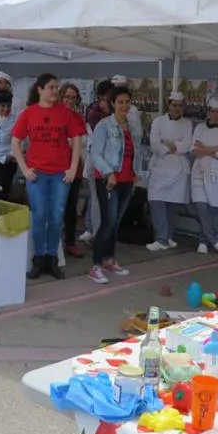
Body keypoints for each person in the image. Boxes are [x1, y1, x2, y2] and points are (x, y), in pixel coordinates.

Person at [12, 73, 85, 280]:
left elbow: (77, 138)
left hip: (60, 174)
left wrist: (72, 168)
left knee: (56, 216)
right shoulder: (29, 113)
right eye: (51, 87)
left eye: (56, 87)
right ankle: (39, 258)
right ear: (40, 90)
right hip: (37, 174)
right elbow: (16, 141)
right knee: (39, 216)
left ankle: (51, 257)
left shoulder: (65, 113)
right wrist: (24, 169)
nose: (55, 91)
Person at [88, 86, 143, 284]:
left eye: (127, 102)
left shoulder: (132, 126)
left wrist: (137, 173)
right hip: (108, 180)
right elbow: (95, 153)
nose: (124, 106)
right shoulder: (104, 125)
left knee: (116, 222)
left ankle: (109, 260)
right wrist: (108, 172)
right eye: (120, 102)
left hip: (127, 180)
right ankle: (95, 265)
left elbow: (135, 152)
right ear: (112, 103)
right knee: (108, 221)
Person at [146, 92, 193, 251]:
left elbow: (186, 146)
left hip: (179, 168)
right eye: (174, 105)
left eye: (180, 106)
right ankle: (161, 238)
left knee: (173, 205)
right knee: (156, 200)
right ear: (168, 105)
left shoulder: (187, 124)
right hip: (160, 166)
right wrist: (173, 146)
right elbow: (154, 144)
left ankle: (167, 236)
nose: (177, 109)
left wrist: (168, 143)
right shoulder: (158, 122)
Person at [191, 97, 218, 256]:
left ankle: (204, 239)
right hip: (199, 172)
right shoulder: (199, 128)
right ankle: (215, 240)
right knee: (201, 207)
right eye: (212, 111)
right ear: (207, 111)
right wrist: (215, 148)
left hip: (217, 173)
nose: (215, 114)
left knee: (214, 209)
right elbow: (195, 151)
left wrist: (205, 148)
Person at [81, 79, 114, 246]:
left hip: (110, 160)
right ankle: (93, 231)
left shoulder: (109, 113)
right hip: (97, 160)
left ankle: (102, 232)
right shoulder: (95, 112)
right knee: (96, 198)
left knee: (105, 200)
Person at [60, 83, 86, 258]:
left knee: (71, 208)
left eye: (73, 97)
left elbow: (82, 141)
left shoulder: (78, 118)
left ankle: (70, 242)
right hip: (56, 169)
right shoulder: (54, 115)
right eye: (67, 97)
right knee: (55, 208)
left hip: (74, 169)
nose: (70, 100)